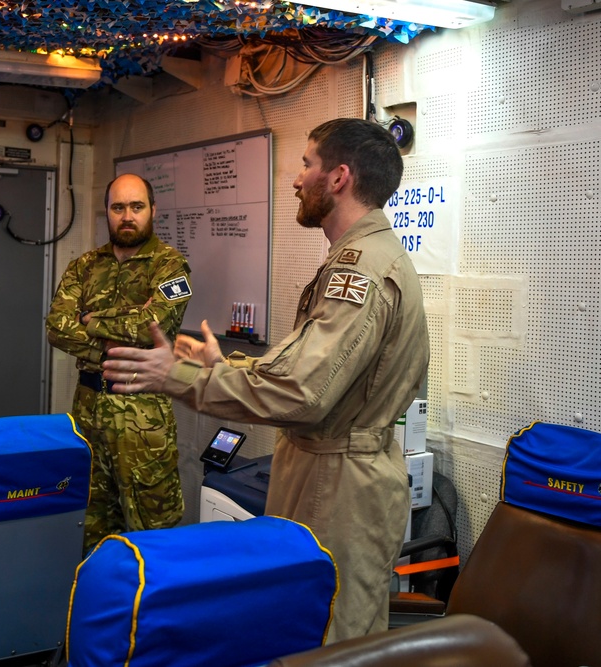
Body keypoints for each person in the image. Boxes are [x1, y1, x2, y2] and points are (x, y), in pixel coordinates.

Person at [102, 118, 429, 642]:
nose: (297, 180)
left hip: (339, 485)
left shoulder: (362, 272)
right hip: (322, 471)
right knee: (295, 625)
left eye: (306, 165)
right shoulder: (356, 258)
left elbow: (303, 394)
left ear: (339, 177)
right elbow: (306, 370)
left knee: (327, 639)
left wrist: (181, 377)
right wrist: (221, 368)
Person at [46, 173, 193, 553]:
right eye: (118, 207)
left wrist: (91, 321)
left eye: (136, 207)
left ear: (152, 211)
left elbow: (152, 328)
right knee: (90, 524)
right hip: (89, 409)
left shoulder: (171, 266)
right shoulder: (85, 266)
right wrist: (116, 340)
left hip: (143, 417)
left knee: (153, 532)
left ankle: (154, 612)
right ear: (107, 213)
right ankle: (98, 607)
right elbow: (56, 329)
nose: (127, 216)